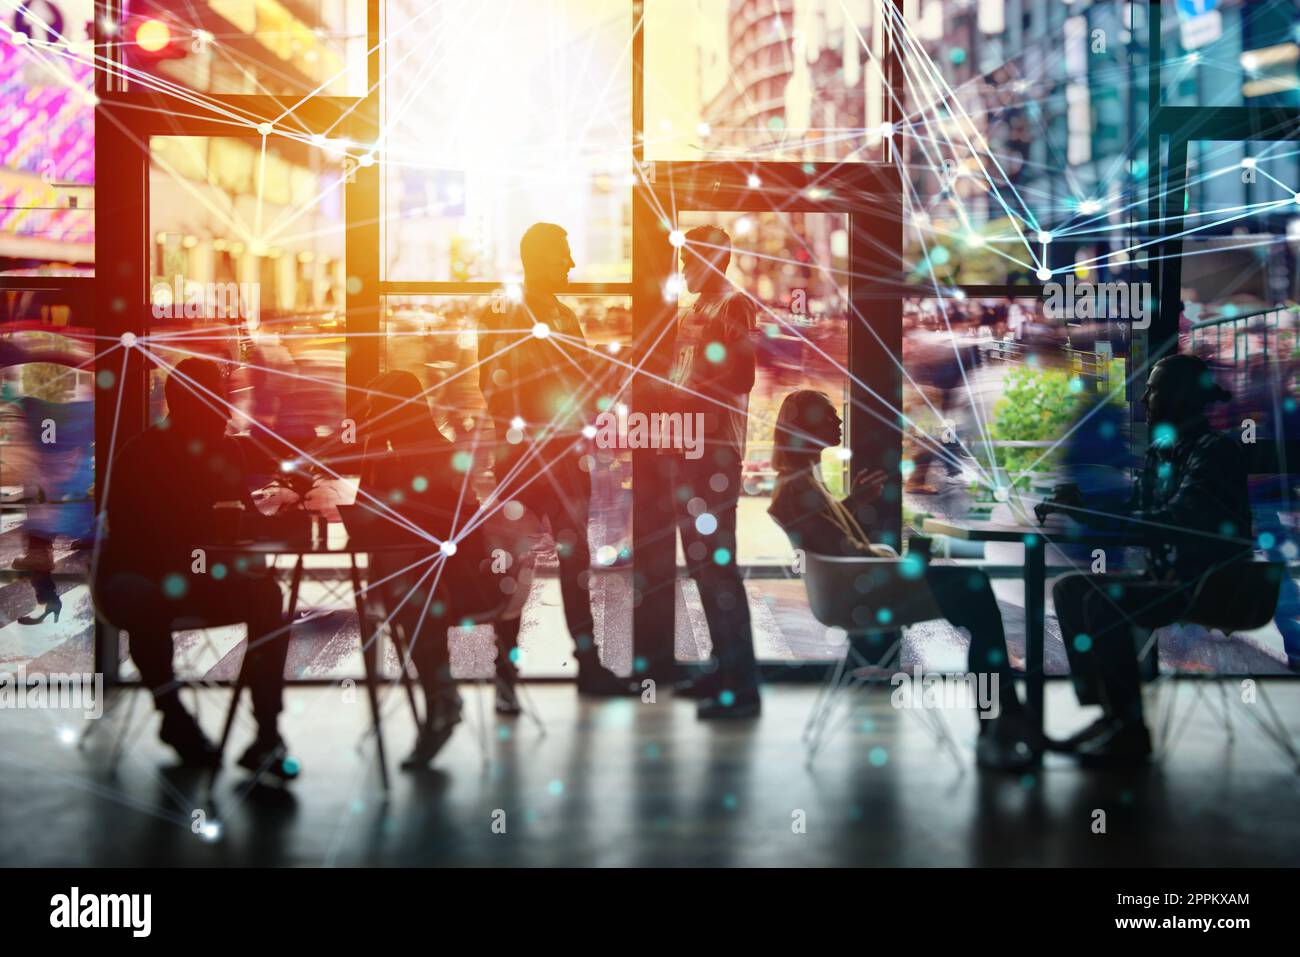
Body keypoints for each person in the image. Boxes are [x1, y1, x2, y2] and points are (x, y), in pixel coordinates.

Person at [767, 389, 1038, 770]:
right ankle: (1001, 722)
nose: (840, 421)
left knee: (973, 592)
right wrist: (902, 564)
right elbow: (842, 552)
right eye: (829, 416)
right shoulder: (797, 489)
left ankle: (1004, 721)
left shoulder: (799, 484)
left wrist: (856, 503)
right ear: (808, 426)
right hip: (864, 594)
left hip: (860, 587)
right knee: (976, 592)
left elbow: (829, 544)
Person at [1045, 354, 1254, 767]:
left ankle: (1129, 730)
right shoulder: (1164, 453)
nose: (1143, 397)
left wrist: (1095, 515)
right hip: (1170, 579)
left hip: (1212, 586)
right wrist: (1082, 506)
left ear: (1180, 395)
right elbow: (1136, 508)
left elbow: (1176, 520)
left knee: (1102, 602)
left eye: (1154, 389)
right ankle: (1110, 713)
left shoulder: (1214, 452)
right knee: (1070, 589)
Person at [94, 357, 298, 779]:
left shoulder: (221, 448)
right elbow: (133, 536)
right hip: (149, 570)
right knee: (143, 597)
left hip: (190, 573)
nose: (226, 411)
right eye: (216, 402)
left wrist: (270, 515)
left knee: (268, 595)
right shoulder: (143, 453)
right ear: (188, 403)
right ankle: (175, 714)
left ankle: (266, 731)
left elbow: (234, 517)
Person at [477, 223, 634, 696]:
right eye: (562, 254)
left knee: (563, 562)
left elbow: (575, 382)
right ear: (538, 257)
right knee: (528, 565)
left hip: (549, 460)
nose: (570, 264)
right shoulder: (512, 314)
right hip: (534, 461)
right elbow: (499, 389)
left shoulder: (555, 315)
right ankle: (536, 669)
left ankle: (531, 670)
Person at [356, 370, 536, 767]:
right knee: (413, 595)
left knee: (415, 600)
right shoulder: (391, 456)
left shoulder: (432, 454)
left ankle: (441, 701)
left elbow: (458, 531)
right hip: (426, 579)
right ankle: (441, 699)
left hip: (462, 579)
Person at [665, 225, 761, 719]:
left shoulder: (732, 305)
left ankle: (740, 684)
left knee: (717, 565)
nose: (683, 269)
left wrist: (691, 392)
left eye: (691, 260)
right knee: (703, 563)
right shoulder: (698, 308)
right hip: (690, 447)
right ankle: (723, 669)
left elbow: (743, 375)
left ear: (714, 260)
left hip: (716, 450)